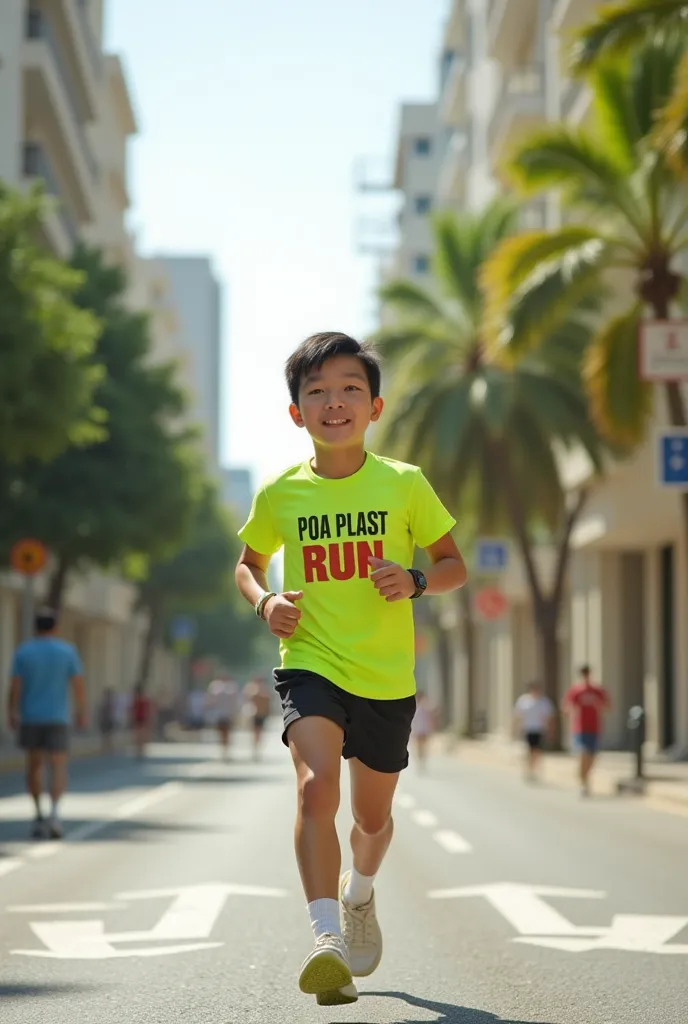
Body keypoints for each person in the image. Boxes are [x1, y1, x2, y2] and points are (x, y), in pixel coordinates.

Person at [235, 332, 467, 1006]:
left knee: (371, 820)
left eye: (348, 390)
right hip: (310, 662)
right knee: (315, 791)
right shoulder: (281, 493)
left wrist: (416, 580)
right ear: (296, 413)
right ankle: (326, 939)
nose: (333, 402)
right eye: (317, 392)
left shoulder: (404, 483)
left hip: (387, 678)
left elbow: (453, 564)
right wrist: (268, 601)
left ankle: (359, 894)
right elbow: (247, 566)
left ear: (375, 407)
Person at [6, 608, 86, 840]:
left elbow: (15, 685)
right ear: (56, 628)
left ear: (35, 627)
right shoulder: (67, 651)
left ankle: (38, 814)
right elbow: (78, 684)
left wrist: (11, 711)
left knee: (34, 766)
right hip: (58, 717)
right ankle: (54, 813)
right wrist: (81, 711)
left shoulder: (24, 652)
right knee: (58, 765)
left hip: (31, 717)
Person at [562, 665, 611, 796]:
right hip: (580, 728)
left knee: (593, 756)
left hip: (594, 727)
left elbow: (608, 706)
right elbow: (566, 706)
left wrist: (598, 705)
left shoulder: (597, 690)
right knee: (583, 753)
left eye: (587, 674)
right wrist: (571, 712)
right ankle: (584, 783)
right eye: (584, 674)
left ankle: (584, 776)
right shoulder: (576, 690)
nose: (586, 677)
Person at [513, 682, 554, 782]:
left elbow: (549, 717)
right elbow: (518, 715)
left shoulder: (544, 702)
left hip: (539, 729)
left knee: (537, 750)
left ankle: (534, 768)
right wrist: (517, 728)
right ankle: (529, 769)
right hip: (528, 729)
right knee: (529, 750)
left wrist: (550, 730)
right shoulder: (524, 701)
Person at [207, 676, 239, 760]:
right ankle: (224, 750)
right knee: (224, 733)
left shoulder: (225, 688)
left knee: (224, 733)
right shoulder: (216, 687)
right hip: (221, 714)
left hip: (225, 714)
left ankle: (225, 750)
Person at [243, 676, 271, 760]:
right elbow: (247, 699)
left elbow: (267, 701)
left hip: (261, 714)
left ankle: (257, 748)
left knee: (259, 732)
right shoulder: (251, 688)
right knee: (255, 731)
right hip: (254, 714)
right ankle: (255, 748)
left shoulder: (265, 690)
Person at [410, 692, 436, 773]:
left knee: (423, 747)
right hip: (417, 730)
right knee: (418, 747)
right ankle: (419, 762)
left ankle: (422, 762)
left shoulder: (425, 708)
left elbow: (429, 719)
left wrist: (430, 729)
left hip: (423, 730)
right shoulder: (415, 708)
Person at [131, 684, 152, 759]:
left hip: (141, 718)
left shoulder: (140, 700)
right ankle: (140, 750)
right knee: (140, 735)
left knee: (140, 735)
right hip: (140, 718)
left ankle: (140, 750)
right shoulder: (139, 700)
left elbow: (146, 710)